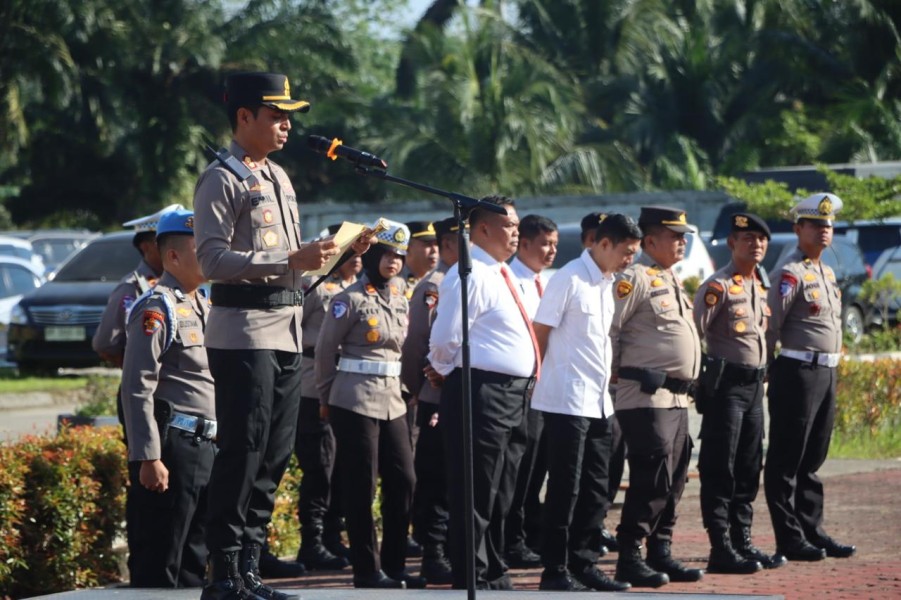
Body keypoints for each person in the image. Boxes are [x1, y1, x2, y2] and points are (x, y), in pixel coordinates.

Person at [194, 71, 371, 600]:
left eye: (290, 115)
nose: (287, 124)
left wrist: (336, 251)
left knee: (273, 456)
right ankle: (223, 575)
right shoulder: (220, 178)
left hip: (288, 331)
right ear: (244, 117)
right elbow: (209, 260)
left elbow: (293, 267)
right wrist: (287, 258)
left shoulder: (278, 177)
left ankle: (250, 570)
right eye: (276, 114)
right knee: (243, 452)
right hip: (244, 332)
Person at [427, 195, 537, 590]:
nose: (516, 233)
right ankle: (471, 574)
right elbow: (444, 337)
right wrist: (443, 371)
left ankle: (492, 565)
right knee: (476, 491)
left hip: (513, 395)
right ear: (484, 229)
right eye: (509, 227)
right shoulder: (468, 273)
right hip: (482, 392)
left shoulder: (504, 274)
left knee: (502, 492)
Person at [531, 213, 640, 592]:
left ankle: (584, 562)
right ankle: (556, 570)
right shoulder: (568, 278)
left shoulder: (607, 283)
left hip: (598, 402)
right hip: (565, 399)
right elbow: (540, 332)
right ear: (603, 244)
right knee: (566, 488)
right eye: (626, 252)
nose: (630, 260)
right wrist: (535, 381)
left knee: (597, 487)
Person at [315, 221, 425, 590]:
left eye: (399, 256)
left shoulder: (400, 298)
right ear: (374, 254)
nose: (394, 262)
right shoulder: (349, 300)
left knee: (404, 479)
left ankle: (394, 565)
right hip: (353, 398)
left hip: (393, 398)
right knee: (361, 485)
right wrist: (327, 397)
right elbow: (325, 350)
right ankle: (366, 569)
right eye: (388, 254)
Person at [119, 209, 215, 588]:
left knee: (194, 558)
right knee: (162, 559)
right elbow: (137, 385)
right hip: (173, 447)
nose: (210, 253)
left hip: (204, 444)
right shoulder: (156, 307)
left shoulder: (201, 303)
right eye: (200, 247)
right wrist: (148, 456)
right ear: (173, 256)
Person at [610, 205, 703, 588]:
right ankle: (629, 555)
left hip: (676, 399)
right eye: (674, 235)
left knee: (676, 478)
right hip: (645, 396)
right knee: (653, 477)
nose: (683, 241)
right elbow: (609, 330)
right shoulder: (635, 278)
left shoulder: (670, 278)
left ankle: (659, 550)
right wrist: (614, 380)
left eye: (685, 236)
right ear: (650, 240)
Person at [764, 193, 856, 562]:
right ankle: (788, 538)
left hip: (825, 370)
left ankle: (811, 530)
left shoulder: (826, 272)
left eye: (828, 225)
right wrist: (765, 369)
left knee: (813, 457)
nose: (824, 231)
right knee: (787, 457)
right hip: (797, 371)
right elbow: (770, 327)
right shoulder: (790, 274)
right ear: (798, 229)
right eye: (816, 225)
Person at [693, 213, 784, 574]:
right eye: (748, 239)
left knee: (748, 467)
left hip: (753, 390)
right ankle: (720, 546)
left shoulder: (758, 285)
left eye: (761, 240)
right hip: (726, 388)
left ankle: (742, 540)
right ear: (732, 243)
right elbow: (694, 334)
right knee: (720, 467)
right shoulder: (718, 286)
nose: (756, 245)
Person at [293, 224, 360, 572]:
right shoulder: (312, 284)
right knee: (319, 466)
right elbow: (290, 328)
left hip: (343, 383)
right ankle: (312, 542)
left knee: (339, 467)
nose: (359, 258)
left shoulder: (354, 287)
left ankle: (333, 536)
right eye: (353, 249)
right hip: (311, 383)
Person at [400, 217, 459, 585]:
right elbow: (416, 345)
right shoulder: (435, 285)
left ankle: (450, 551)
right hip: (437, 397)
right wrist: (420, 391)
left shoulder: (470, 281)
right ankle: (434, 554)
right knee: (436, 479)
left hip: (464, 395)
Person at [498, 214, 557, 570]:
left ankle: (527, 532)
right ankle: (511, 539)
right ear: (525, 244)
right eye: (544, 244)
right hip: (518, 389)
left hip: (544, 390)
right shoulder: (511, 280)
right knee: (516, 472)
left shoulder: (543, 282)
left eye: (553, 244)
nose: (551, 251)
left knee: (535, 469)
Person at [580, 211, 625, 555]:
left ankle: (598, 527)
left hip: (609, 390)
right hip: (576, 392)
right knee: (579, 473)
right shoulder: (573, 279)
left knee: (609, 464)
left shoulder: (610, 283)